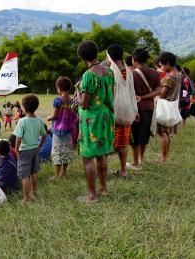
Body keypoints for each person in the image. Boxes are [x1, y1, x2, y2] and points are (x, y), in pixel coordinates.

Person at [75, 40, 115, 203]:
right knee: (101, 153)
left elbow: (84, 103)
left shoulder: (88, 75)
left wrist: (77, 90)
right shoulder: (108, 71)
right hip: (106, 117)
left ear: (82, 57)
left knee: (88, 157)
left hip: (92, 120)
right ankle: (103, 188)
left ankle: (92, 195)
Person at [128, 48, 161, 170]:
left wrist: (140, 97)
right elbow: (158, 91)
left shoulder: (132, 74)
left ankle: (135, 162)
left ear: (134, 59)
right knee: (145, 134)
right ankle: (141, 159)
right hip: (150, 108)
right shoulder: (155, 73)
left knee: (135, 136)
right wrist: (144, 97)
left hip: (136, 109)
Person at [106, 44, 135, 178]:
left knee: (107, 141)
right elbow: (132, 92)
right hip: (126, 112)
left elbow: (108, 94)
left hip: (113, 113)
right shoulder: (128, 71)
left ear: (110, 56)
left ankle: (104, 170)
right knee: (124, 142)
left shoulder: (109, 71)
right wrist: (135, 110)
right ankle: (123, 170)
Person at [13, 94, 47, 204]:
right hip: (35, 149)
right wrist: (40, 145)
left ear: (23, 107)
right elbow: (44, 134)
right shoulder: (39, 120)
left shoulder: (22, 121)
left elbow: (18, 139)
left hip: (24, 151)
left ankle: (26, 198)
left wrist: (16, 150)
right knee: (34, 172)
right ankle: (34, 192)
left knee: (24, 175)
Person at [47, 76, 76, 180]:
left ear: (58, 88)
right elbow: (74, 116)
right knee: (67, 150)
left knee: (57, 152)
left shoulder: (57, 101)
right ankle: (64, 172)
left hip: (58, 132)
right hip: (68, 130)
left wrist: (49, 117)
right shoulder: (72, 101)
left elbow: (54, 116)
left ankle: (57, 174)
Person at [156, 52, 182, 164]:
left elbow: (162, 94)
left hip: (164, 106)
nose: (161, 68)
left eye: (162, 65)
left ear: (167, 63)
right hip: (172, 106)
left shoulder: (169, 77)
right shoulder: (178, 75)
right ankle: (166, 155)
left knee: (162, 133)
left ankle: (163, 158)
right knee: (166, 133)